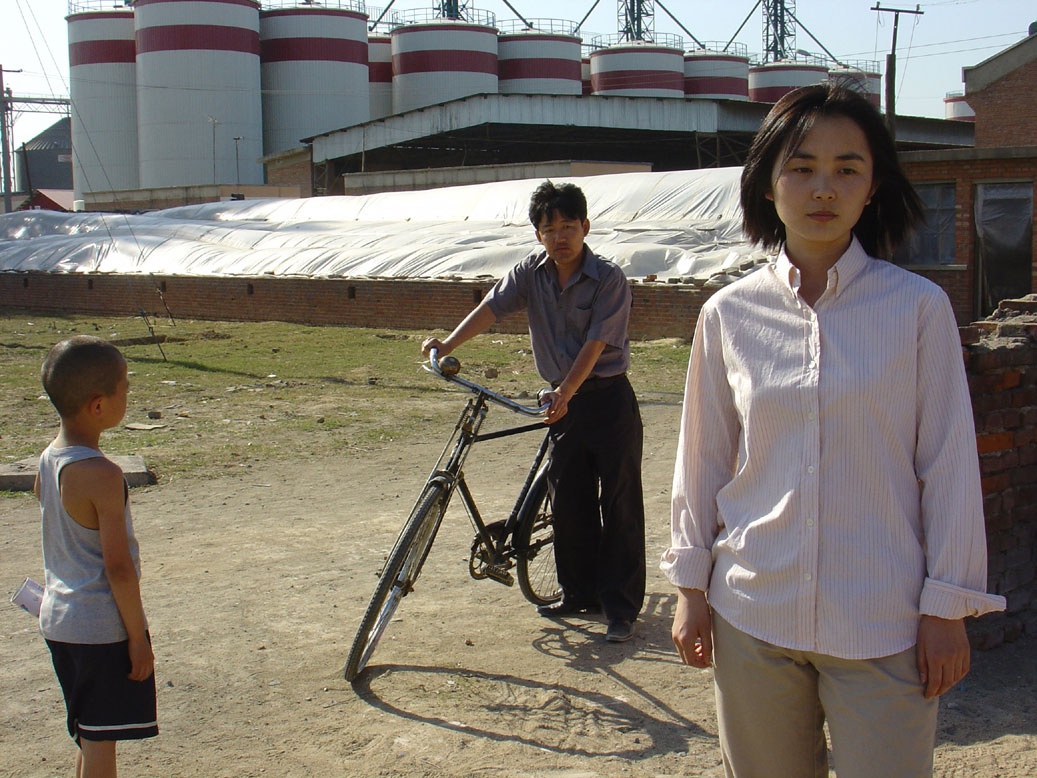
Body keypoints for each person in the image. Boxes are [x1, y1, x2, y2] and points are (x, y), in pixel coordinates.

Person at [661, 82, 1006, 778]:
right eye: (801, 167)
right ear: (767, 185)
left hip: (881, 618)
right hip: (753, 611)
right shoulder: (728, 314)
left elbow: (946, 464)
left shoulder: (917, 309)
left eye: (847, 168)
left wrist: (947, 607)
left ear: (872, 187)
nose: (824, 187)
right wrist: (690, 588)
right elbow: (703, 459)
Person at [422, 180, 646, 643]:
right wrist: (449, 343)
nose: (560, 237)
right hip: (563, 407)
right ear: (538, 234)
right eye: (550, 229)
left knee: (620, 502)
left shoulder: (609, 279)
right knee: (569, 502)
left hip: (607, 400)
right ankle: (577, 593)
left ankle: (620, 608)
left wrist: (566, 390)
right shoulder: (531, 273)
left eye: (568, 227)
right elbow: (492, 307)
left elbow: (596, 344)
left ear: (585, 227)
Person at [35, 335, 157, 778]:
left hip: (59, 621)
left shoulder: (49, 459)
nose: (129, 393)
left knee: (91, 735)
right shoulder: (102, 475)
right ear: (99, 405)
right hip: (101, 630)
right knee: (102, 746)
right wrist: (138, 637)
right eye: (125, 387)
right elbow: (118, 569)